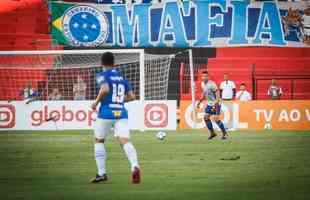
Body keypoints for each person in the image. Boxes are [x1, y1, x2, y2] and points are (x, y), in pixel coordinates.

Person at [90, 52, 140, 184]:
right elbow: (132, 96)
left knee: (99, 140)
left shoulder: (101, 75)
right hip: (121, 113)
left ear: (102, 63)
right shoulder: (122, 78)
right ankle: (135, 165)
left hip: (106, 113)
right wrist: (118, 100)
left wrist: (96, 102)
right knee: (125, 140)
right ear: (114, 63)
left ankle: (101, 173)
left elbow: (105, 89)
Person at [197, 72, 228, 140]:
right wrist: (199, 102)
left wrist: (216, 104)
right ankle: (212, 133)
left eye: (206, 76)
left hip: (216, 102)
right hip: (209, 103)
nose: (204, 77)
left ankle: (224, 133)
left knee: (216, 119)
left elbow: (217, 93)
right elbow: (204, 94)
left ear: (208, 77)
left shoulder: (212, 84)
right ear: (202, 77)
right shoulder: (202, 84)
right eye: (203, 76)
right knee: (206, 117)